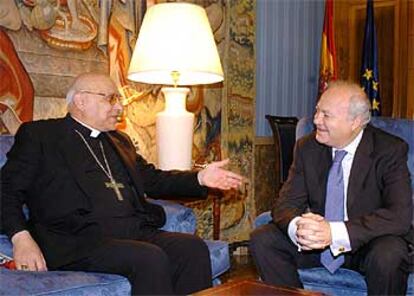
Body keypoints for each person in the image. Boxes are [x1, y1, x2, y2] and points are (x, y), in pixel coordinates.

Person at [1, 72, 243, 295]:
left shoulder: (119, 141)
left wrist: (199, 178)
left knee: (191, 248)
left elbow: (153, 180)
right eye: (111, 99)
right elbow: (7, 189)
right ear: (81, 101)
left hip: (132, 231)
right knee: (149, 258)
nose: (119, 107)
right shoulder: (40, 135)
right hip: (75, 238)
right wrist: (20, 237)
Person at [250, 81, 413, 295]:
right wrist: (300, 226)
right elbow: (285, 204)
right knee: (263, 238)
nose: (316, 120)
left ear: (354, 122)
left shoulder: (389, 149)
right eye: (317, 110)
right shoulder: (307, 147)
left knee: (389, 253)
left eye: (326, 115)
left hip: (368, 244)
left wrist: (334, 232)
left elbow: (399, 216)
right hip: (317, 246)